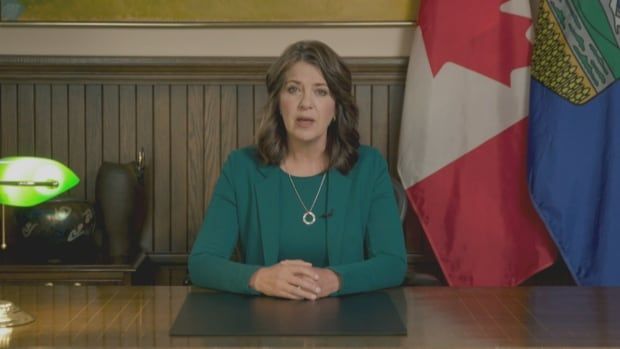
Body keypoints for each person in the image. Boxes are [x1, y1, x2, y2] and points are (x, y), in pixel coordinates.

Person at [188, 40, 406, 300]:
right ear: (279, 102)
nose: (306, 103)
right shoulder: (241, 168)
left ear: (336, 106)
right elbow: (201, 263)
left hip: (349, 326)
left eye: (321, 92)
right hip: (263, 327)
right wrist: (260, 278)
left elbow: (393, 263)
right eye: (293, 89)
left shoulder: (369, 167)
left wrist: (336, 280)